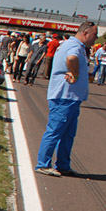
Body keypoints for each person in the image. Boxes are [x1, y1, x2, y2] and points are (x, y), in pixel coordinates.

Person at [34, 21, 98, 176]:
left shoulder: (75, 45)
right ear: (86, 33)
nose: (95, 39)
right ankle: (43, 164)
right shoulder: (74, 46)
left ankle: (63, 164)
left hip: (71, 97)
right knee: (55, 130)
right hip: (64, 97)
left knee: (68, 133)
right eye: (94, 35)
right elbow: (71, 59)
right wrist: (75, 74)